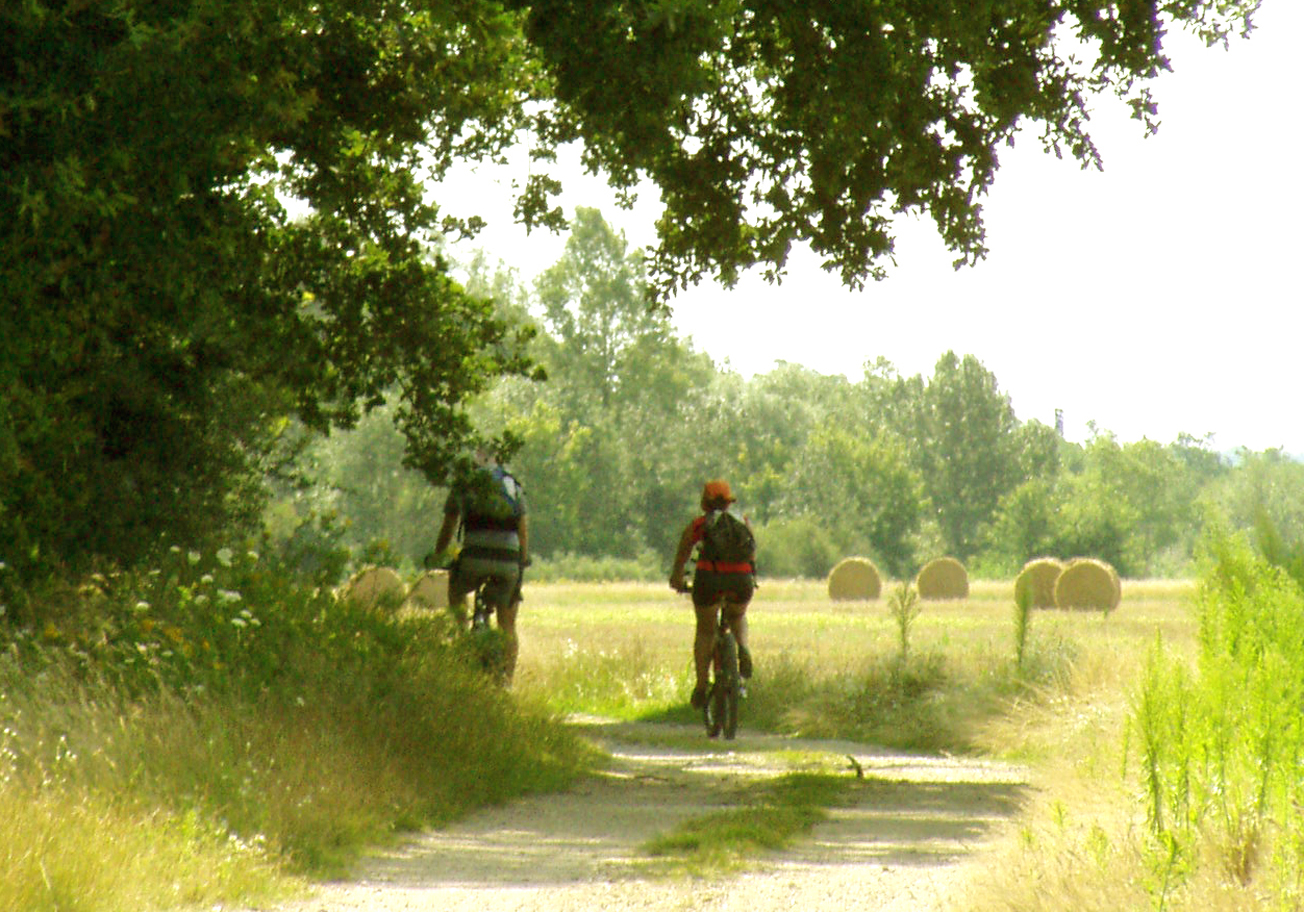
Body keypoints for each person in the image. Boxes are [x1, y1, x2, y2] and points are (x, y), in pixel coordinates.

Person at [433, 447, 530, 682]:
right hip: (508, 561)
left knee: (456, 589)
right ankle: (507, 682)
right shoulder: (512, 485)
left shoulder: (464, 484)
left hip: (473, 559)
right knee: (507, 623)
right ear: (497, 461)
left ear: (474, 462)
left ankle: (460, 633)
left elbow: (448, 526)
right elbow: (522, 531)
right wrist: (522, 560)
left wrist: (438, 554)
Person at [669, 479, 756, 710]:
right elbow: (752, 552)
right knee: (737, 616)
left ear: (704, 503)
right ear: (729, 503)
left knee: (706, 629)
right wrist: (749, 576)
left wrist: (677, 576)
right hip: (741, 580)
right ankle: (743, 647)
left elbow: (684, 549)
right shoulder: (743, 522)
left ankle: (700, 686)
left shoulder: (701, 523)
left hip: (709, 580)